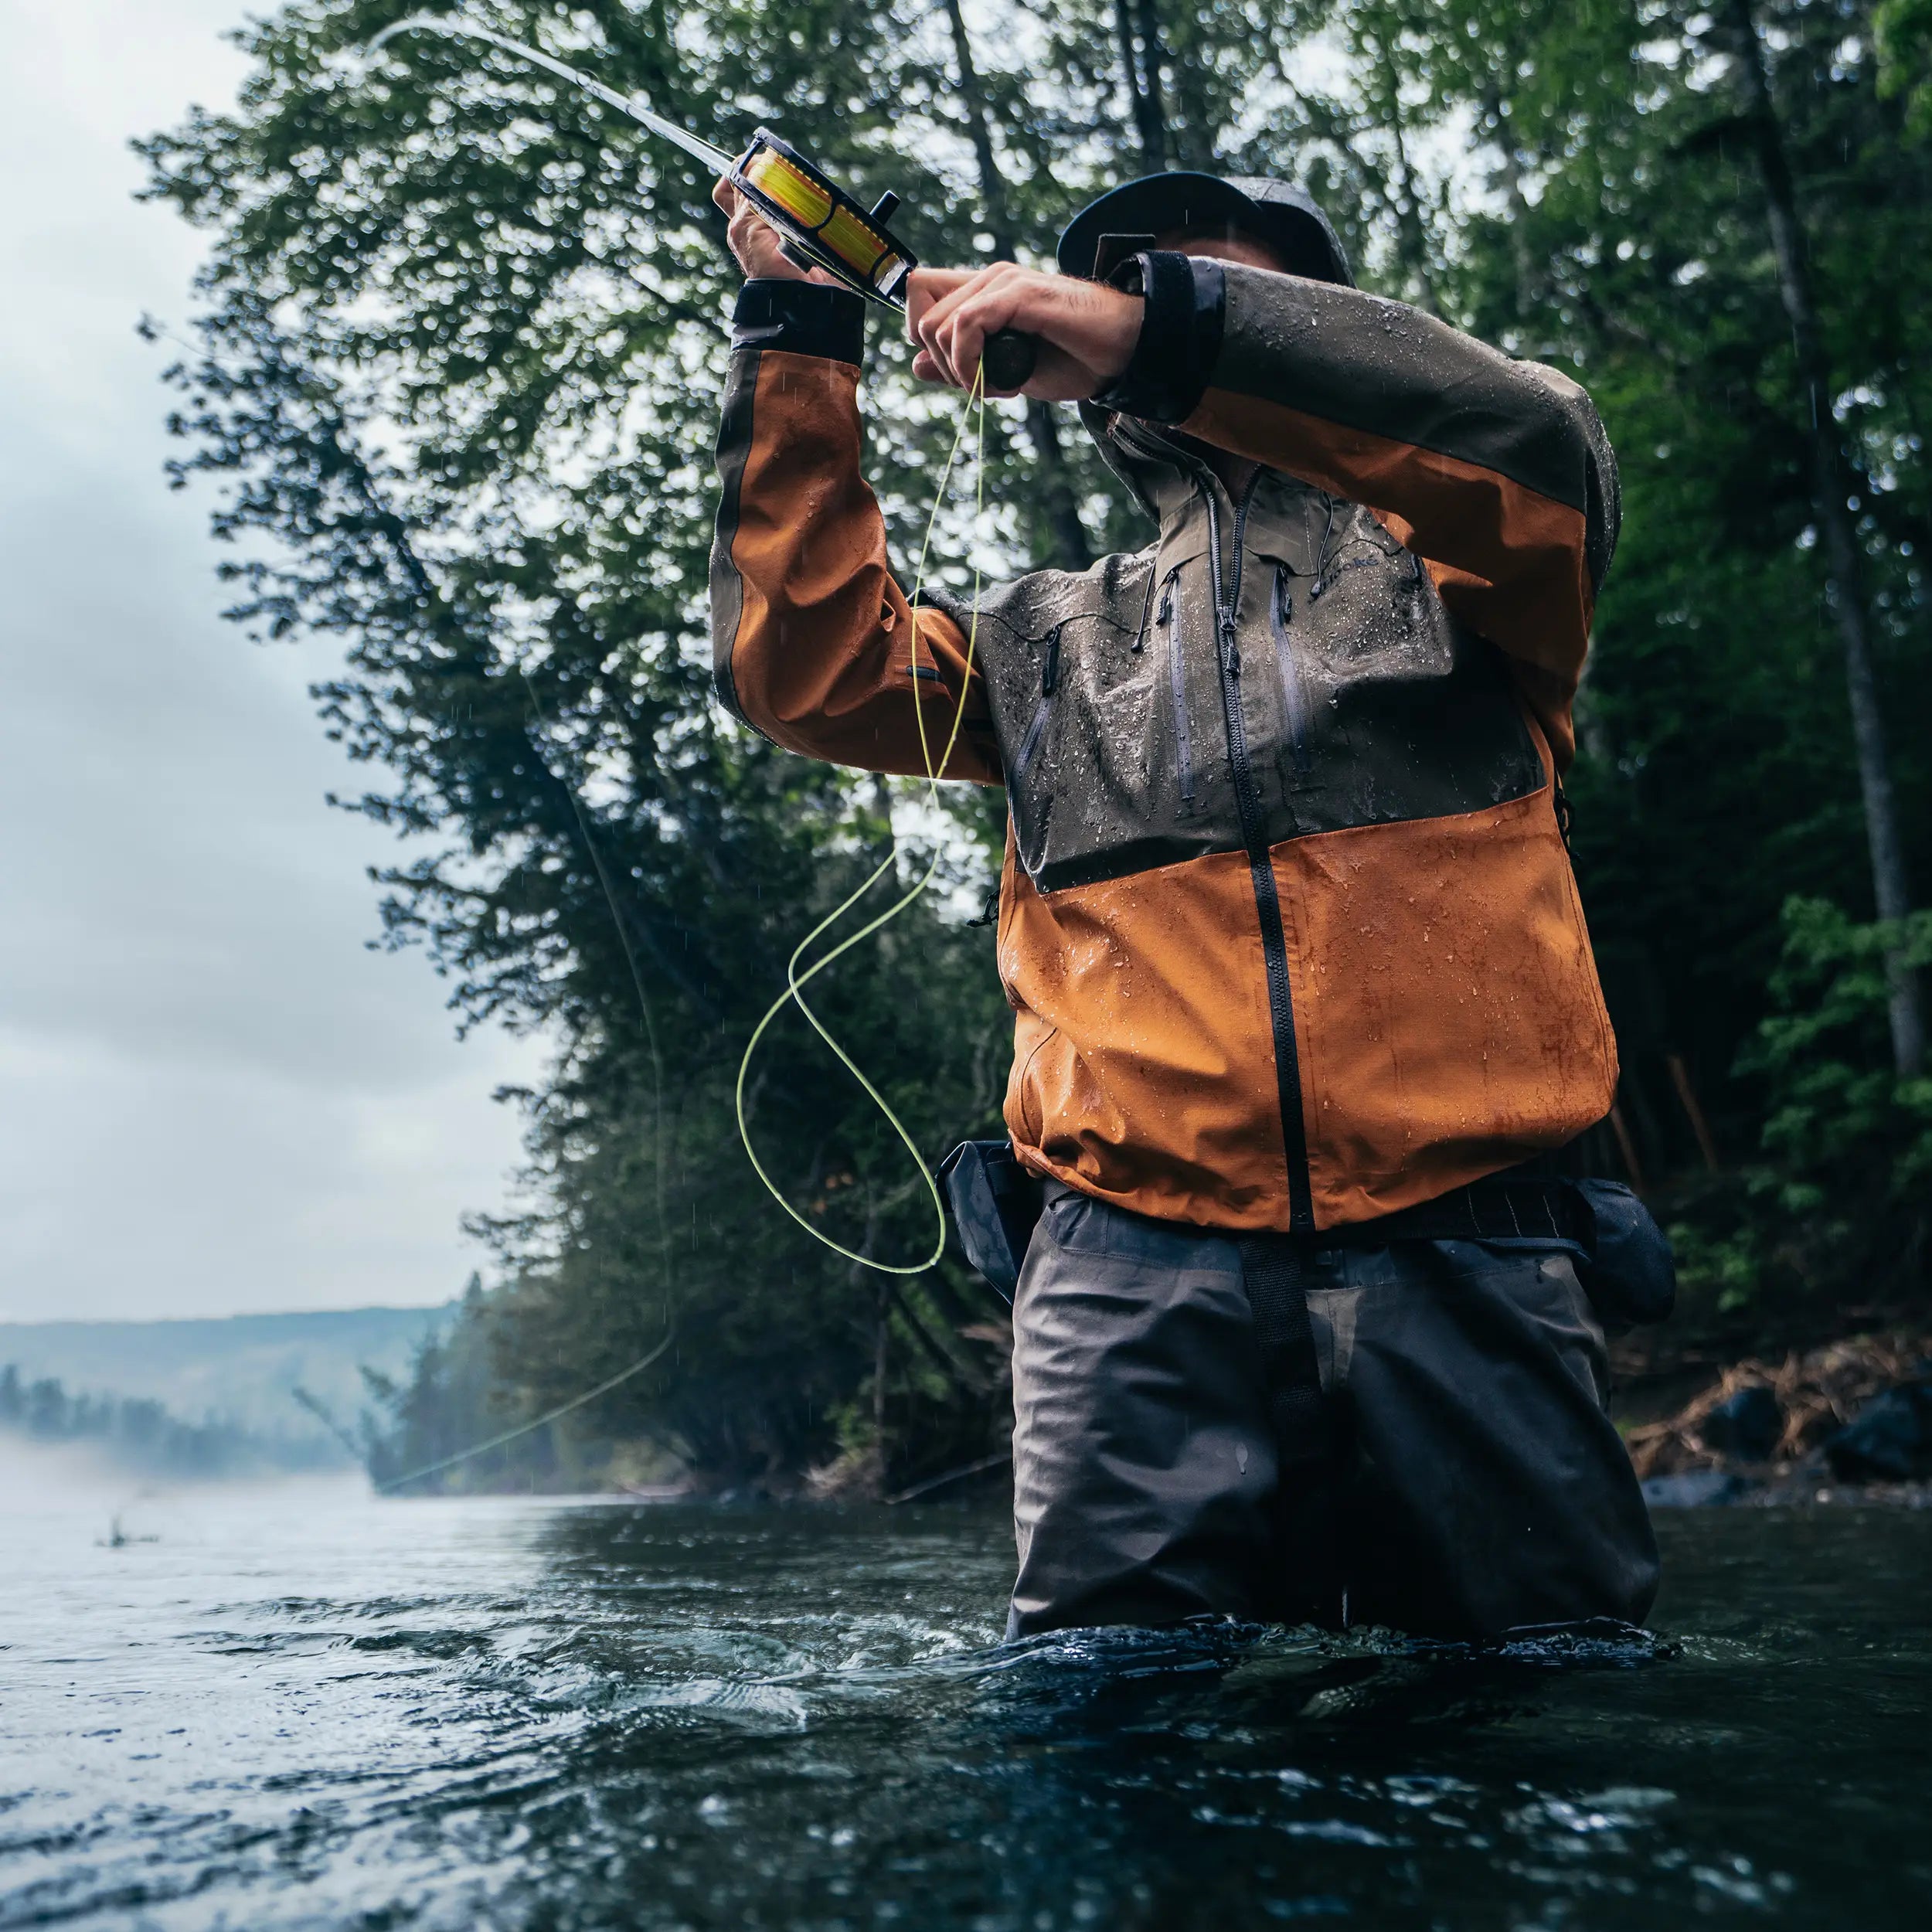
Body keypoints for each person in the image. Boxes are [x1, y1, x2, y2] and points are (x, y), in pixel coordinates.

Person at [708, 168, 1659, 1641]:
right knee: (1106, 1750)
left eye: (1194, 279)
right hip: (1125, 1274)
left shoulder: (1479, 564)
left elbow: (1532, 433)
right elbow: (807, 667)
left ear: (1325, 321)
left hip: (1470, 1247)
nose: (1138, 292)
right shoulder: (1038, 641)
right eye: (1122, 275)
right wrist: (799, 335)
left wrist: (1157, 327)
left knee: (1537, 1721)